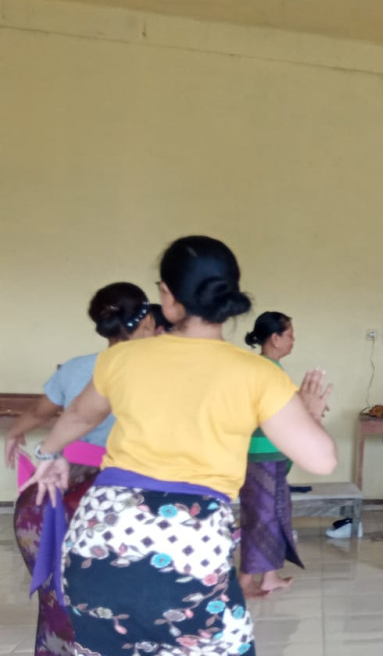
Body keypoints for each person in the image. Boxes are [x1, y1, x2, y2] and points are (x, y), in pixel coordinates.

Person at [24, 235, 337, 655]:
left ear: (168, 299)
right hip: (185, 542)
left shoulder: (121, 359)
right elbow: (321, 460)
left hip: (98, 539)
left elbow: (78, 416)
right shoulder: (257, 373)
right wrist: (310, 412)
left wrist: (50, 456)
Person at [5, 282, 154, 656]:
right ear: (147, 319)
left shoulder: (75, 369)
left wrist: (15, 433)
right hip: (121, 495)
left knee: (58, 595)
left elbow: (40, 414)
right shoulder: (158, 372)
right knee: (124, 599)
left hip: (52, 495)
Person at [238, 311, 303, 598]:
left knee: (274, 512)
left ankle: (270, 576)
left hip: (261, 454)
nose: (293, 341)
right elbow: (278, 415)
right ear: (275, 339)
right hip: (264, 455)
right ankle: (244, 580)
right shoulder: (269, 371)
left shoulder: (261, 367)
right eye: (289, 335)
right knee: (263, 516)